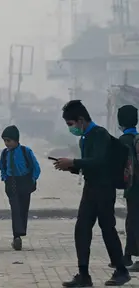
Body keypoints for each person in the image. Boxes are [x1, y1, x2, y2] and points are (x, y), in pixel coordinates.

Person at [54, 100, 130, 287]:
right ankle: (84, 275)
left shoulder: (100, 134)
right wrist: (70, 167)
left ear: (81, 120)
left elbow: (99, 162)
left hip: (104, 189)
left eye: (71, 124)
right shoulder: (84, 138)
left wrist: (74, 162)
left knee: (107, 229)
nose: (71, 129)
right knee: (82, 229)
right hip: (91, 188)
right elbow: (89, 165)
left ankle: (121, 270)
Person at [0, 125, 40, 251]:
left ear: (16, 140)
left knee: (23, 208)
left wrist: (32, 179)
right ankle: (17, 236)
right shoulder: (5, 153)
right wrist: (5, 178)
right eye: (5, 141)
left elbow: (36, 167)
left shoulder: (25, 151)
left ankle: (20, 231)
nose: (7, 143)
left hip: (24, 181)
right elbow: (2, 167)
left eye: (9, 141)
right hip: (11, 182)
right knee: (15, 208)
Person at [117, 105, 139, 271]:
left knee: (133, 221)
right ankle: (127, 255)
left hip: (133, 188)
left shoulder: (122, 141)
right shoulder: (137, 138)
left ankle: (129, 256)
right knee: (133, 221)